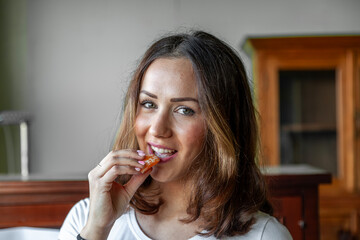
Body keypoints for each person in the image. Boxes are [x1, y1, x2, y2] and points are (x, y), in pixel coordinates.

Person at [58, 30, 292, 240]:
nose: (158, 129)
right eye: (148, 104)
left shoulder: (264, 235)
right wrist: (97, 231)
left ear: (224, 125)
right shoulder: (85, 220)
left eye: (184, 110)